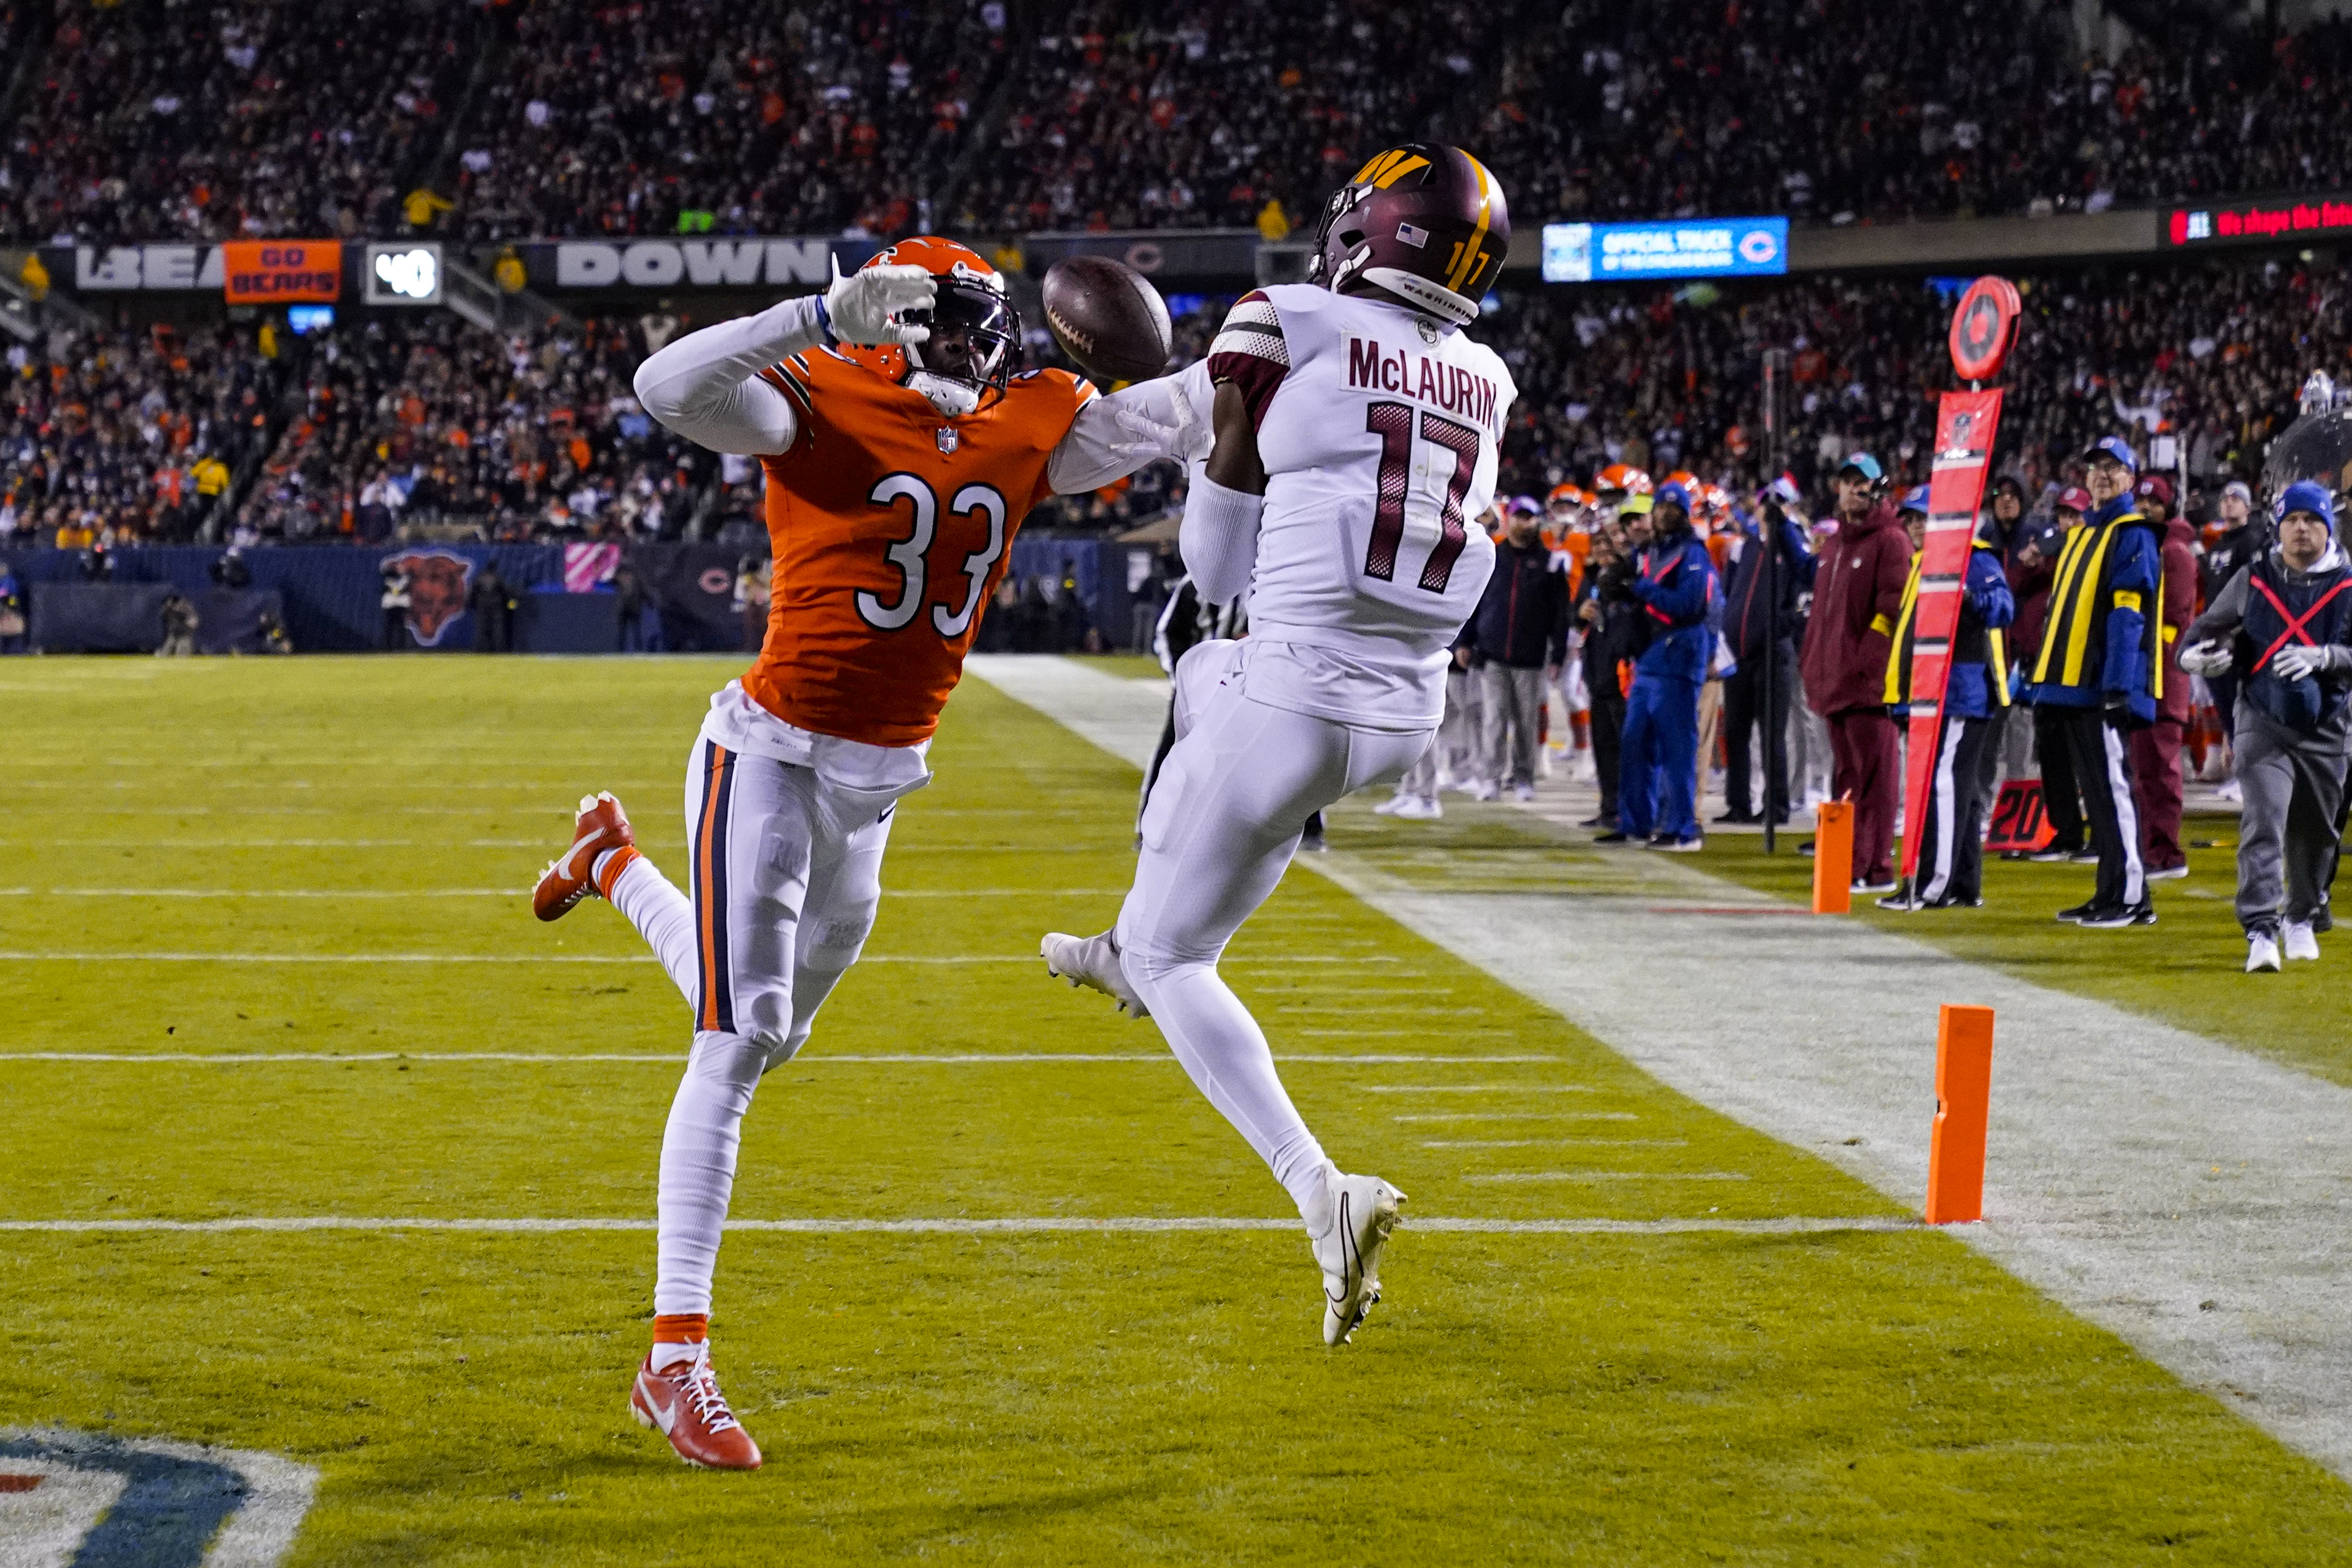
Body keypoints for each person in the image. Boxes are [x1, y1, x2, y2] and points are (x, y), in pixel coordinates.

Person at [533, 235, 1211, 1470]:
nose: (966, 344)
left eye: (977, 322)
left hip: (883, 776)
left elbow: (1179, 417)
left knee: (763, 1025)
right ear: (879, 318)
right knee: (737, 1042)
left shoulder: (1034, 413)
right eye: (938, 320)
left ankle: (610, 865)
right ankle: (673, 1359)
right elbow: (663, 388)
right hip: (771, 750)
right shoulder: (814, 394)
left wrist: (1293, 345)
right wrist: (808, 315)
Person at [1038, 142, 1515, 1347]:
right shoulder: (1490, 379)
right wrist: (1201, 416)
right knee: (1199, 675)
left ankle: (1322, 1189)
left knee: (1175, 959)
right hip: (1404, 714)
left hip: (1300, 693)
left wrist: (1124, 416)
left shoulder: (1288, 317)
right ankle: (1122, 937)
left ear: (1374, 231)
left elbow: (1212, 566)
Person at [2181, 482, 2351, 971]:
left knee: (2317, 833)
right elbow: (2202, 632)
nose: (2301, 528)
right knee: (2264, 819)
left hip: (2329, 725)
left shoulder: (2349, 584)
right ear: (2278, 525)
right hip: (2262, 717)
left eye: (2312, 520)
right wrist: (2197, 655)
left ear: (2328, 527)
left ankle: (2300, 915)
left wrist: (2327, 657)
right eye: (2292, 519)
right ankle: (2260, 928)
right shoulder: (2252, 578)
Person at [2027, 437, 2164, 927]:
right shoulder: (2083, 534)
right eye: (2095, 468)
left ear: (2131, 478)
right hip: (2072, 684)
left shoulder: (2132, 533)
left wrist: (2119, 686)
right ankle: (2109, 891)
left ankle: (2132, 898)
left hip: (2101, 685)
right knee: (2098, 794)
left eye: (2114, 468)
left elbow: (2129, 615)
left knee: (2114, 791)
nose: (2103, 475)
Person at [1880, 511, 2014, 908]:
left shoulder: (1975, 558)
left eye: (1926, 519)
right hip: (1939, 692)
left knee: (1945, 786)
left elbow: (2004, 608)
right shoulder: (1924, 562)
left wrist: (1976, 599)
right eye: (1913, 521)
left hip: (1961, 694)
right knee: (1963, 792)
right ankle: (1964, 884)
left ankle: (1932, 885)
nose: (1919, 528)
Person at [1798, 453, 1909, 895]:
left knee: (1874, 778)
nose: (1854, 490)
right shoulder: (1834, 545)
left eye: (1861, 482)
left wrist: (1868, 667)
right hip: (1835, 682)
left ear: (1877, 487)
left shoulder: (1891, 540)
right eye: (1847, 482)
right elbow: (1822, 618)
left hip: (1866, 686)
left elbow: (1891, 611)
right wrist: (1814, 663)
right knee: (1846, 777)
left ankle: (1875, 867)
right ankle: (1846, 862)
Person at [1597, 479, 1717, 851]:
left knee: (1678, 747)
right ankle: (1635, 823)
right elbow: (1633, 590)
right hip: (1651, 656)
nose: (1665, 514)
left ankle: (1682, 829)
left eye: (1673, 508)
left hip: (1681, 653)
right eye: (1661, 508)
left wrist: (1639, 588)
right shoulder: (1650, 553)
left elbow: (1689, 606)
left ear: (1684, 513)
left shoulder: (1694, 554)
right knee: (1635, 741)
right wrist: (1615, 585)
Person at [1458, 494, 1566, 801]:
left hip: (1530, 656)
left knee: (1525, 722)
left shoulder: (1550, 563)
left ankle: (1523, 778)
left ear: (1537, 521)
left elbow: (1560, 614)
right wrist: (1465, 640)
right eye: (1519, 516)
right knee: (1494, 719)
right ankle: (1491, 779)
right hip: (1492, 654)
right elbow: (1475, 601)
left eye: (1529, 517)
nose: (1523, 522)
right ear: (1510, 518)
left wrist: (1557, 654)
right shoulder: (1493, 556)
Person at [1714, 487, 1812, 825]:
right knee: (1736, 732)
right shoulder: (1747, 547)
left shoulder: (1796, 547)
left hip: (1773, 653)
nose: (1770, 511)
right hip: (1739, 653)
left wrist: (1775, 628)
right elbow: (1729, 594)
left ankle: (1776, 807)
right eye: (1766, 504)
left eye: (1779, 504)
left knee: (1772, 735)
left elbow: (1804, 599)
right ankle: (1738, 803)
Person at [2017, 489, 2093, 862]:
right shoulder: (2049, 561)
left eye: (2076, 516)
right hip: (2047, 669)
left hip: (2082, 670)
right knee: (2052, 753)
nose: (2069, 524)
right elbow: (2014, 587)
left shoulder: (2095, 555)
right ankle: (2066, 833)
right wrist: (2030, 563)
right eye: (2064, 516)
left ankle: (2101, 836)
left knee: (2090, 757)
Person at [2129, 474, 2198, 880]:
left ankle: (2168, 853)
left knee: (2162, 770)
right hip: (2147, 676)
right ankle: (2151, 847)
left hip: (2163, 677)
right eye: (2141, 501)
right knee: (2145, 771)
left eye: (2154, 502)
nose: (2145, 508)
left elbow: (2173, 617)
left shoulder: (2175, 552)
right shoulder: (2153, 547)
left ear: (2168, 507)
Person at [2201, 478, 2264, 803]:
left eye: (2236, 498)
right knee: (2227, 711)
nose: (2228, 503)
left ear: (2248, 505)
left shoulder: (2252, 541)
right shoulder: (2218, 546)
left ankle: (2250, 779)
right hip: (2216, 637)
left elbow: (2251, 592)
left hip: (2237, 639)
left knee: (2242, 710)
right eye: (2225, 498)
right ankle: (2241, 775)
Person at [1575, 518, 1639, 829]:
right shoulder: (1591, 578)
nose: (1601, 548)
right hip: (1597, 671)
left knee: (1626, 747)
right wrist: (1579, 614)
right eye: (1596, 543)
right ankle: (1609, 808)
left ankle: (1628, 810)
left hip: (1621, 673)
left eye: (1606, 542)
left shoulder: (1628, 577)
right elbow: (1575, 621)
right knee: (1603, 746)